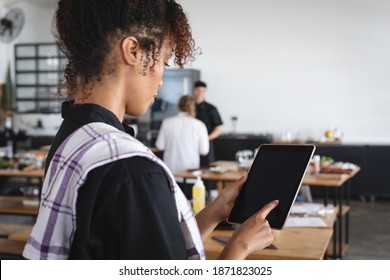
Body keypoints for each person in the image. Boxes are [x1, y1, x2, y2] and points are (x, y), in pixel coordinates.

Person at [23, 0, 278, 260]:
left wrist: (213, 213)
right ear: (133, 50)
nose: (161, 78)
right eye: (164, 62)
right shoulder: (135, 173)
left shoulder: (74, 135)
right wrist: (240, 247)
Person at [155, 95, 209, 173]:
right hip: (190, 173)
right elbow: (204, 151)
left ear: (178, 106)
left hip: (171, 172)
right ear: (193, 107)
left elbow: (160, 146)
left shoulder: (167, 122)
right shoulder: (199, 125)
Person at [193, 81, 223, 167]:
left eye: (203, 91)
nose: (200, 93)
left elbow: (218, 129)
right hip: (190, 144)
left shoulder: (211, 108)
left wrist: (205, 139)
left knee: (206, 168)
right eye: (198, 90)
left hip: (206, 143)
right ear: (194, 90)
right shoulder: (188, 107)